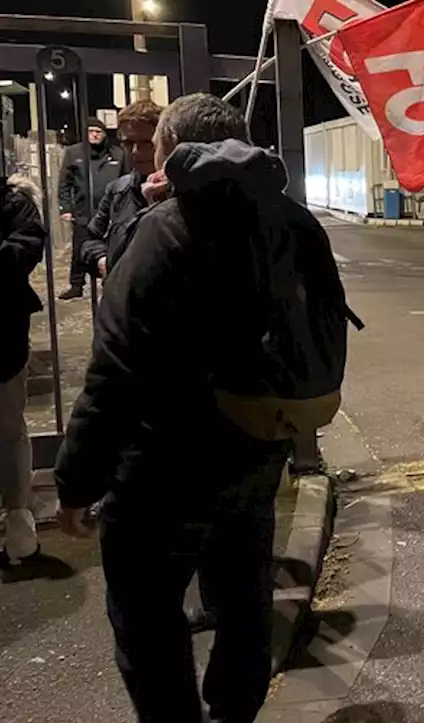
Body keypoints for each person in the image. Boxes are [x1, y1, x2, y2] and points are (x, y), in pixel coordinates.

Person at [54, 93, 351, 723]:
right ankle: (234, 713)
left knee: (146, 622)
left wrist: (76, 482)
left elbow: (113, 372)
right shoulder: (292, 219)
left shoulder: (164, 230)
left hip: (160, 469)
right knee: (245, 596)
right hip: (256, 448)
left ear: (170, 151)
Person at [0, 174, 45, 566]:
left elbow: (26, 249)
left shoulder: (14, 200)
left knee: (10, 431)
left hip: (2, 339)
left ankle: (19, 527)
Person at [82, 101, 162, 280]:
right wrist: (102, 261)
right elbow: (90, 240)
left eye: (146, 143)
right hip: (122, 299)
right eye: (128, 143)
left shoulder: (183, 190)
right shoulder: (118, 190)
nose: (135, 151)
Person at [57, 117, 124, 299]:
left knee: (112, 247)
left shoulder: (117, 154)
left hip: (111, 212)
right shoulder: (74, 153)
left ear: (104, 134)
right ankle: (76, 285)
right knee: (79, 248)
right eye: (91, 131)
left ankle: (111, 281)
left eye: (98, 131)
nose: (94, 135)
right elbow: (65, 183)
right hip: (83, 210)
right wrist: (65, 208)